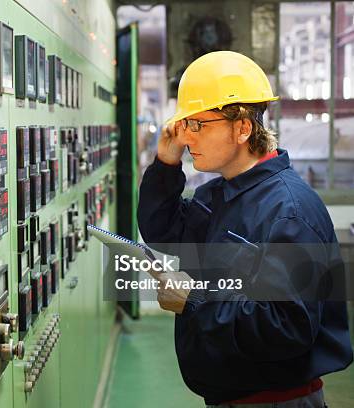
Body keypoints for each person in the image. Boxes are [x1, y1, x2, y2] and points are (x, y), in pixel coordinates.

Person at [137, 51, 353, 407]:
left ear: (242, 127)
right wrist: (166, 162)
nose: (188, 139)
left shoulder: (288, 212)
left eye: (198, 125)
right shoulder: (221, 194)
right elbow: (164, 231)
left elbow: (286, 326)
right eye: (185, 125)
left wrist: (195, 300)